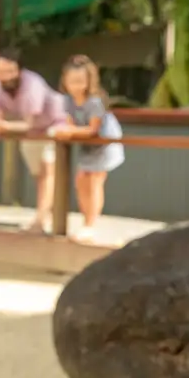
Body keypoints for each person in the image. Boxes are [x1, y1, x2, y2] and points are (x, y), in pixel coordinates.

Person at [0, 48, 66, 233]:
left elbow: (30, 123)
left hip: (54, 124)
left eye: (10, 71)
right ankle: (47, 214)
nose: (6, 76)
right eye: (1, 72)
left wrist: (3, 126)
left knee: (48, 172)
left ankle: (41, 220)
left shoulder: (33, 85)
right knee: (39, 175)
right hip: (29, 131)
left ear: (20, 70)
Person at [53, 54, 125, 243]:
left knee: (94, 183)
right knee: (81, 181)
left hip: (104, 142)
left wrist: (69, 132)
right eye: (72, 81)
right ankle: (86, 220)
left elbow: (93, 129)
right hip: (86, 145)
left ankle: (90, 225)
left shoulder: (95, 102)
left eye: (80, 81)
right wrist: (66, 130)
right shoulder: (66, 100)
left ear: (89, 81)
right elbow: (68, 122)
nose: (76, 85)